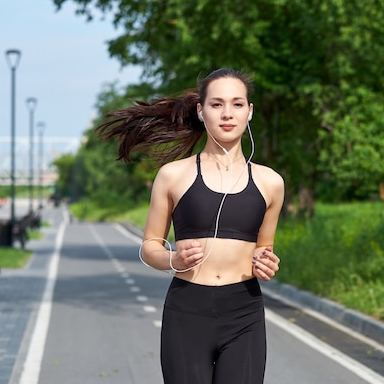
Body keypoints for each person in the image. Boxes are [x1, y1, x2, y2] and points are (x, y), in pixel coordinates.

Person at [97, 68, 285, 384]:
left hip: (244, 313)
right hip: (187, 312)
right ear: (200, 110)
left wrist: (266, 263)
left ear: (249, 112)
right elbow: (150, 246)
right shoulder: (173, 175)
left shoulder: (271, 182)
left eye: (238, 104)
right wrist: (173, 259)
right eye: (216, 104)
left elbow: (264, 249)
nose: (228, 114)